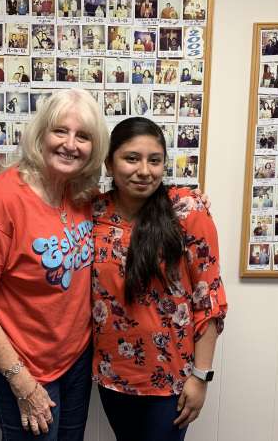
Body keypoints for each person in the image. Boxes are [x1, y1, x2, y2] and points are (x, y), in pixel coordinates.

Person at [0, 89, 110, 441]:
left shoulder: (81, 193)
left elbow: (136, 204)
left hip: (76, 360)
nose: (70, 144)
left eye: (83, 136)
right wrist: (23, 384)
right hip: (24, 366)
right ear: (40, 134)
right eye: (60, 131)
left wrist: (186, 201)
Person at [91, 117, 227, 441]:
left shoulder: (187, 209)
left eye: (154, 160)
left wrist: (201, 376)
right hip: (113, 375)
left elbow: (208, 299)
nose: (145, 170)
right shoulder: (93, 212)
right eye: (131, 158)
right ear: (109, 163)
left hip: (172, 381)